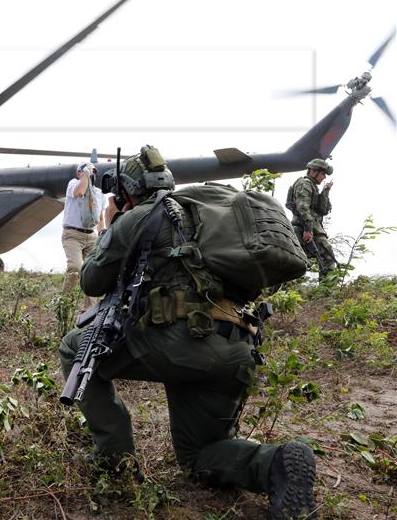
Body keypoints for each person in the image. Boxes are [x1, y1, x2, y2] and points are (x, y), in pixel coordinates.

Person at [59, 147, 317, 520]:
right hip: (237, 349)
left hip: (179, 345)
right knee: (201, 454)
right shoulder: (209, 212)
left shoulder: (142, 216)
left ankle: (115, 461)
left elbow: (91, 278)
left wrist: (112, 224)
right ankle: (276, 462)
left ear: (129, 191)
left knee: (74, 347)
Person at [62, 161, 106, 302]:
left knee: (92, 273)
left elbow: (99, 216)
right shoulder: (73, 184)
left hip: (91, 236)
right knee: (75, 268)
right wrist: (86, 175)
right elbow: (80, 193)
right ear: (79, 173)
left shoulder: (99, 193)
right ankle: (64, 302)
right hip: (73, 235)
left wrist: (102, 233)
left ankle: (90, 312)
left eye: (93, 172)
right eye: (87, 171)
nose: (92, 173)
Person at [287, 158, 338, 278]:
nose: (324, 177)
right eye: (322, 173)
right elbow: (302, 208)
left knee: (294, 262)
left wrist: (325, 193)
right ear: (314, 171)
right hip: (306, 228)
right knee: (328, 257)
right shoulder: (305, 184)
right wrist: (308, 229)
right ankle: (327, 291)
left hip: (310, 228)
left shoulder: (313, 186)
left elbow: (323, 211)